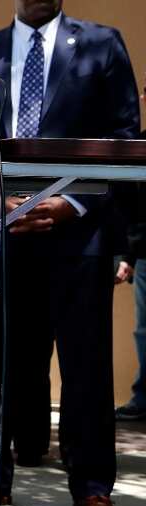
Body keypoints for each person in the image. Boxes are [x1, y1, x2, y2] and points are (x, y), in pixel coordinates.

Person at [0, 0, 138, 506]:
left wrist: (72, 203)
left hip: (77, 234)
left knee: (86, 368)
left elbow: (124, 140)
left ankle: (91, 487)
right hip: (2, 234)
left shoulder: (102, 47)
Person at [114, 144, 146, 423]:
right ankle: (143, 398)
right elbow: (136, 207)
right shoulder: (140, 143)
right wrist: (129, 254)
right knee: (144, 330)